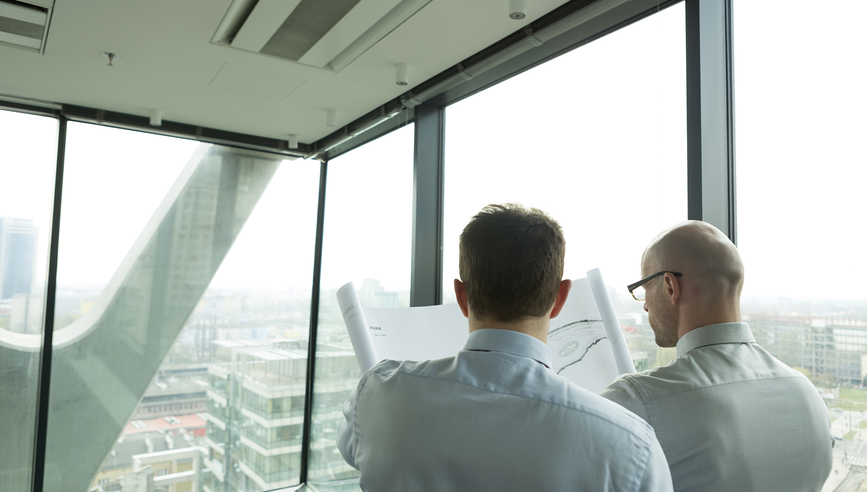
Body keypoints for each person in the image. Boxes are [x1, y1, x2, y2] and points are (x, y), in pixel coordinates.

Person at [336, 203, 672, 491]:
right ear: (560, 298)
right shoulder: (630, 445)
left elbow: (353, 449)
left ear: (461, 296)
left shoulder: (378, 393)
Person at [601, 220, 833, 492]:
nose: (645, 307)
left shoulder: (637, 400)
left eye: (643, 288)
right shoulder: (807, 394)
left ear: (670, 287)